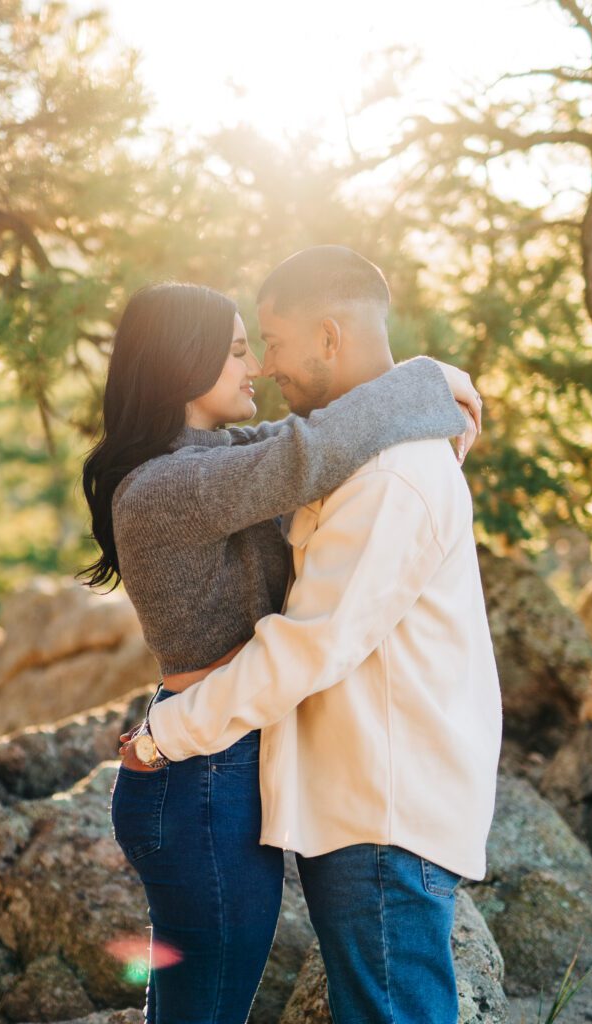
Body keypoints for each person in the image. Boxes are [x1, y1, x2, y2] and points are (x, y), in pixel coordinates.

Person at [83, 262, 479, 1024]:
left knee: (202, 1008)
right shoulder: (173, 485)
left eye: (256, 344)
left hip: (215, 758)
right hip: (197, 768)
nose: (256, 365)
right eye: (238, 350)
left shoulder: (205, 460)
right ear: (182, 365)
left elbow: (306, 439)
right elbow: (307, 453)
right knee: (203, 1011)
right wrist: (427, 382)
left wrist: (425, 374)